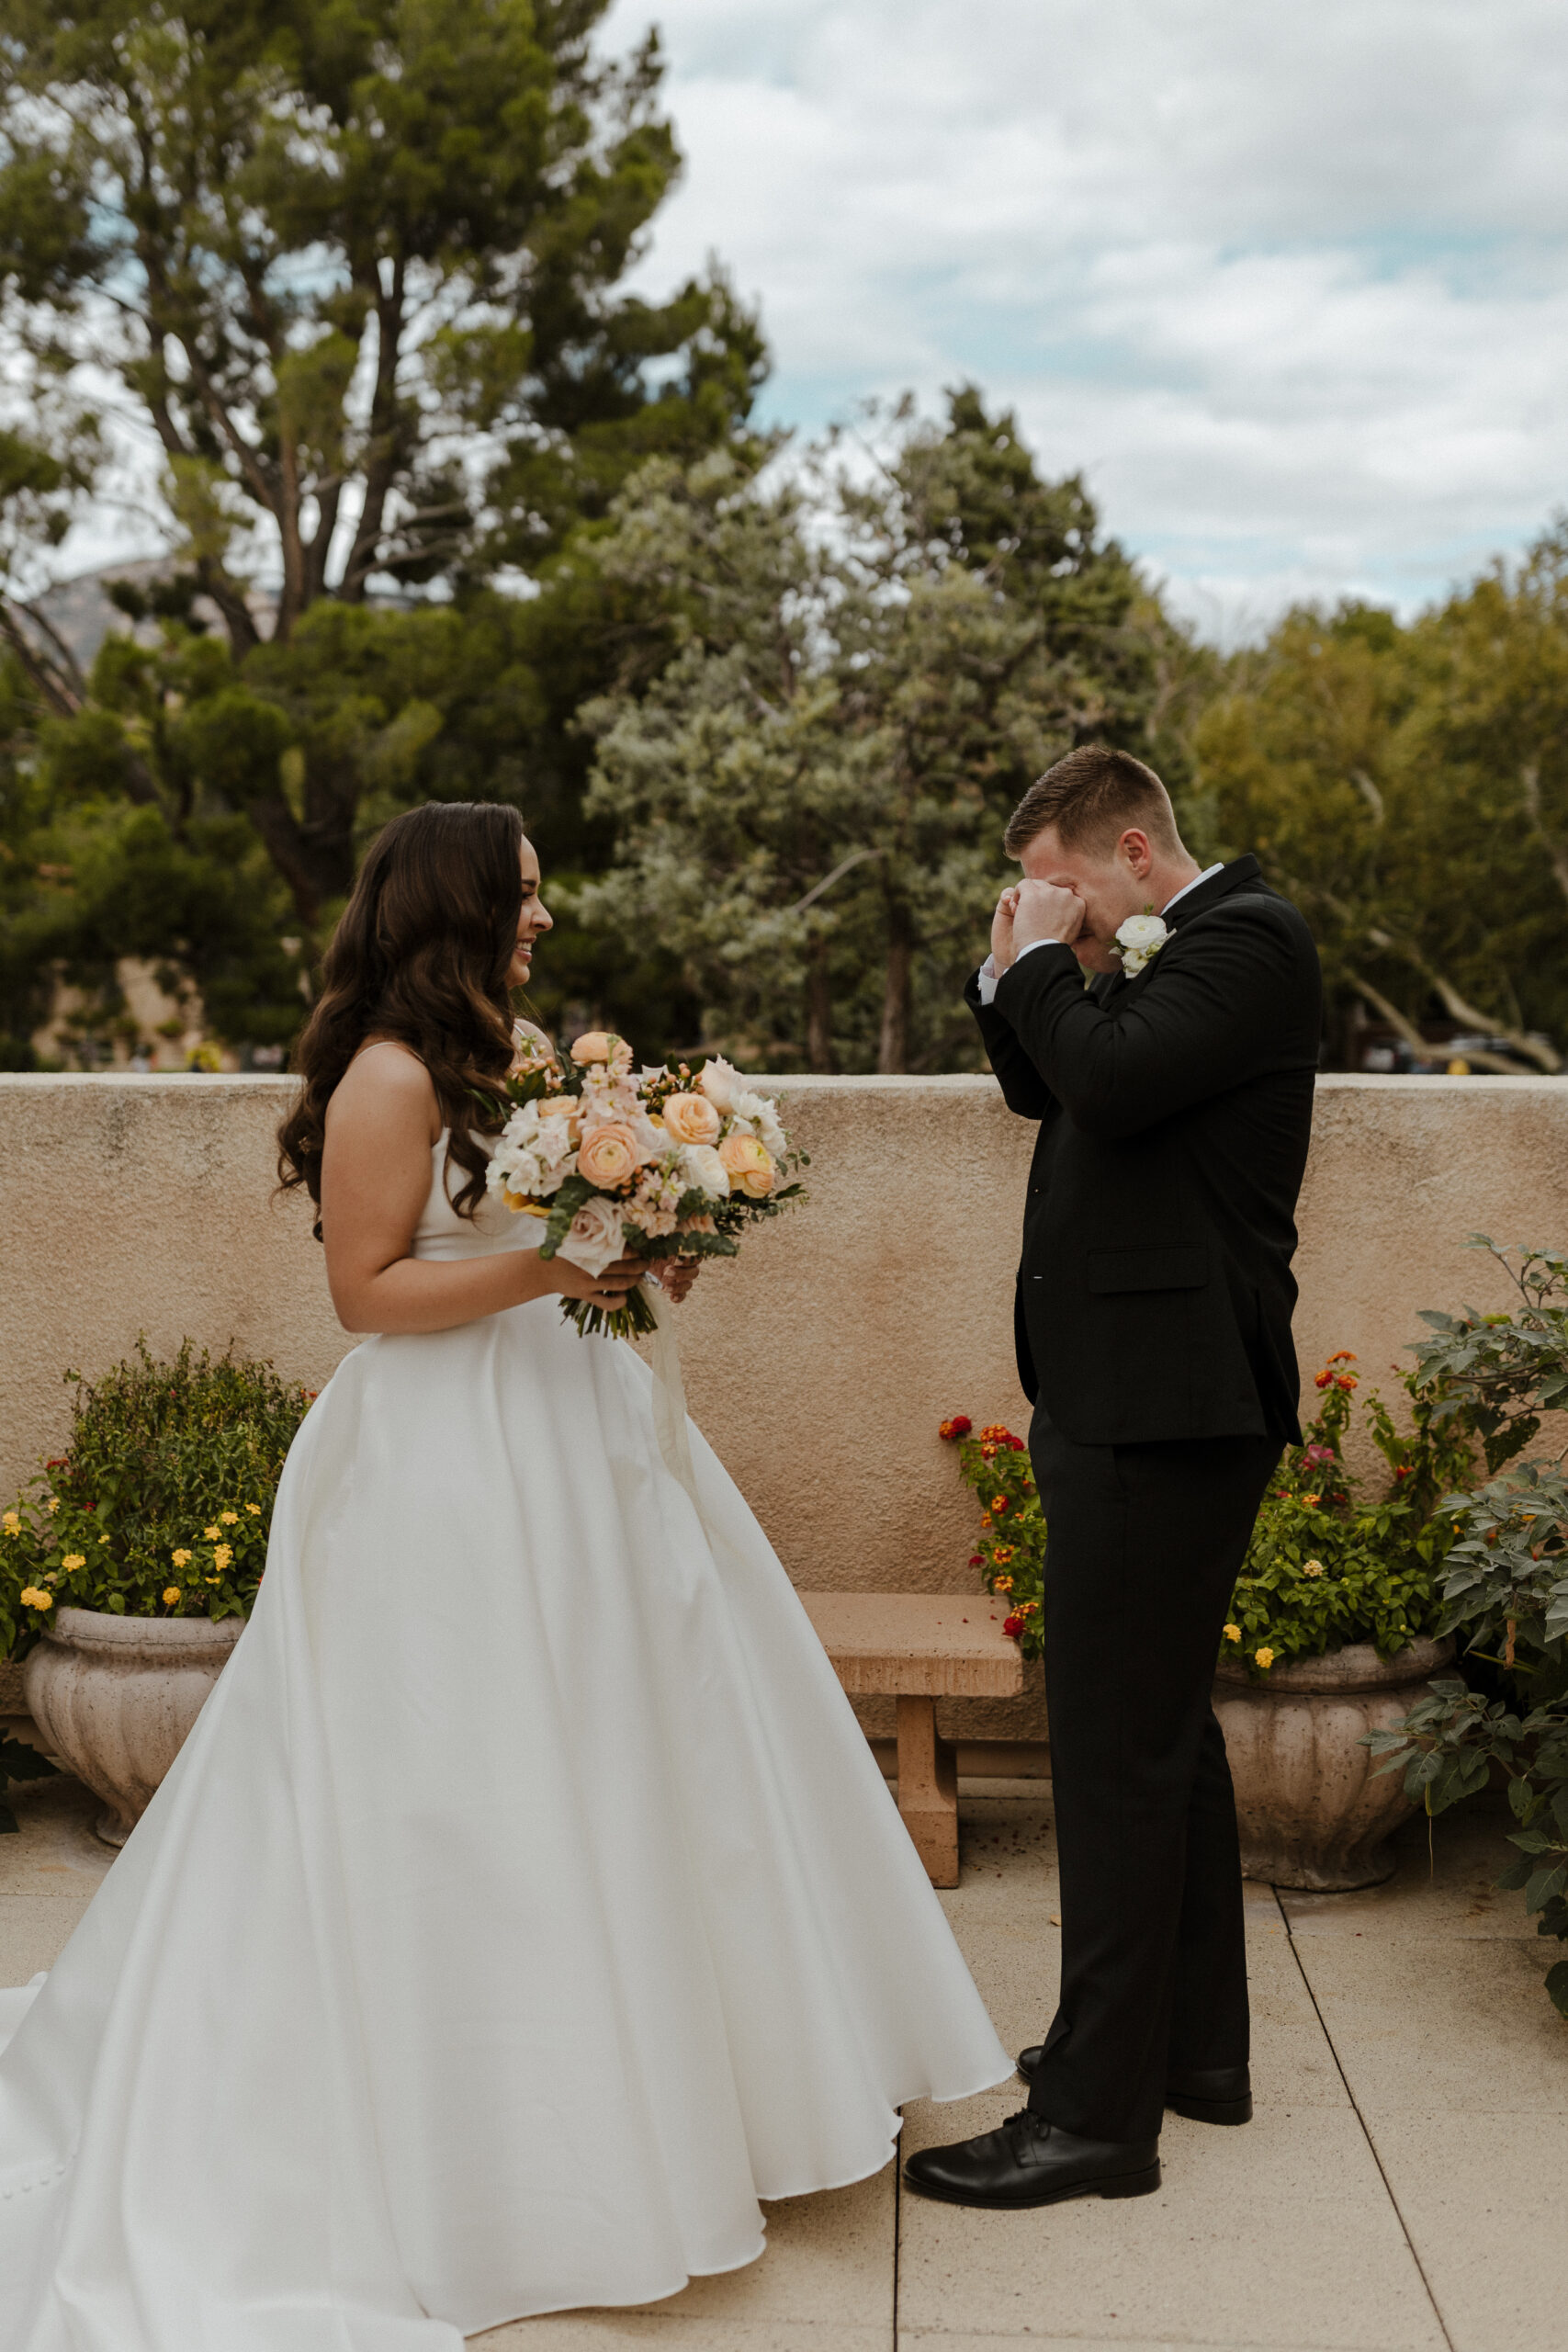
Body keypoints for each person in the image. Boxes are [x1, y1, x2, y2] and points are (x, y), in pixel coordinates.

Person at [0, 801, 1008, 2347]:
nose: (543, 916)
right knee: (461, 1778)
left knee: (635, 1751)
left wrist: (650, 1227)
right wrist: (560, 1266)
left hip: (577, 1432)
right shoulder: (389, 1079)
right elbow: (365, 1292)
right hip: (445, 1464)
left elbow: (554, 1223)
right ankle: (500, 2151)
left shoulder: (508, 1052)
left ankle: (687, 2100)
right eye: (522, 898)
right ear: (454, 907)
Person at [904, 746, 1320, 2212]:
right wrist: (1013, 970)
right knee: (1163, 1742)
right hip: (1137, 1392)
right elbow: (1051, 1088)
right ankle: (1193, 2057)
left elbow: (1113, 1077)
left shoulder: (1246, 940)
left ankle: (1092, 2121)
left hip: (1169, 1404)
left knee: (1111, 1755)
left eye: (1066, 885)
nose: (1053, 913)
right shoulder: (1153, 957)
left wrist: (1046, 971)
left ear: (1136, 854)